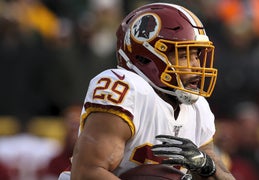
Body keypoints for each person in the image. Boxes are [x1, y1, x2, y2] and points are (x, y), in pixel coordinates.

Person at [59, 2, 235, 180]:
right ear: (146, 57)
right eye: (183, 56)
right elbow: (86, 173)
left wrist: (207, 166)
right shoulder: (127, 91)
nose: (196, 65)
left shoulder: (198, 109)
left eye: (196, 55)